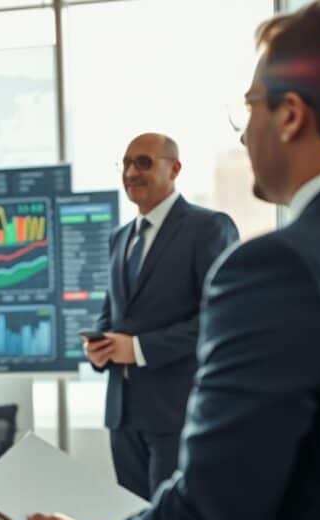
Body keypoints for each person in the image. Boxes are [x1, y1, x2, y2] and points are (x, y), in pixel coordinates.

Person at [12, 2, 320, 520]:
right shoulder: (122, 237)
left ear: (291, 116)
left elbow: (214, 517)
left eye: (248, 107)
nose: (244, 129)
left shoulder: (278, 266)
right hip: (129, 409)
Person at [84, 132, 238, 500]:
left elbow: (219, 319)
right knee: (130, 519)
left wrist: (138, 348)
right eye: (125, 163)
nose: (131, 172)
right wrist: (102, 346)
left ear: (175, 169)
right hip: (123, 414)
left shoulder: (209, 228)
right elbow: (114, 313)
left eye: (143, 162)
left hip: (177, 411)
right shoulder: (120, 238)